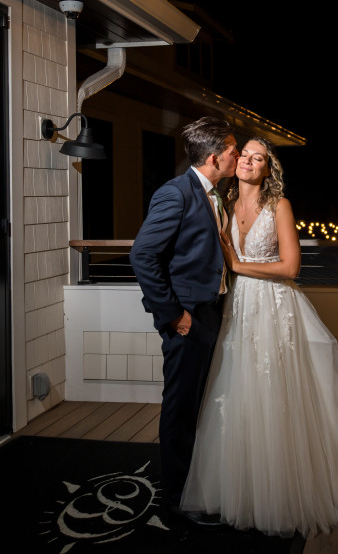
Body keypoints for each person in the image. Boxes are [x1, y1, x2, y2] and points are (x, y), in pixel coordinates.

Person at [180, 137, 338, 538]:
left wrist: (237, 264)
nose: (249, 161)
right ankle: (248, 490)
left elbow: (290, 268)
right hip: (238, 309)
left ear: (269, 169)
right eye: (245, 155)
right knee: (241, 394)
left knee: (280, 395)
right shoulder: (223, 204)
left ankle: (290, 491)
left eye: (259, 158)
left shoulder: (278, 206)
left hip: (275, 307)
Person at [129, 117, 239, 523]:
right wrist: (175, 316)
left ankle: (199, 483)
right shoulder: (175, 193)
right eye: (233, 150)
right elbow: (142, 255)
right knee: (181, 407)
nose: (237, 156)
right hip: (188, 318)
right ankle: (179, 498)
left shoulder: (214, 195)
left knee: (202, 404)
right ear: (214, 157)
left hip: (211, 313)